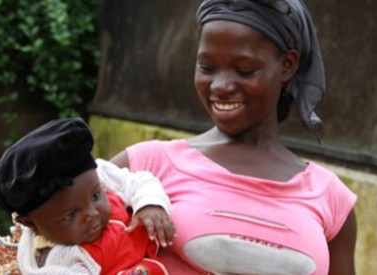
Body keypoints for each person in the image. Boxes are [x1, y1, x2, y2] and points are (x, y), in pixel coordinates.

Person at [111, 0, 358, 274]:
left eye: (245, 70)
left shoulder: (330, 198)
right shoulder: (146, 167)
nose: (221, 86)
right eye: (207, 67)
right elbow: (74, 254)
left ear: (287, 66)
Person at [0, 118, 176, 274]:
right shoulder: (64, 260)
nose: (92, 214)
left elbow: (137, 181)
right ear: (31, 224)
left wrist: (150, 204)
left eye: (95, 196)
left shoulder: (96, 176)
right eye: (70, 215)